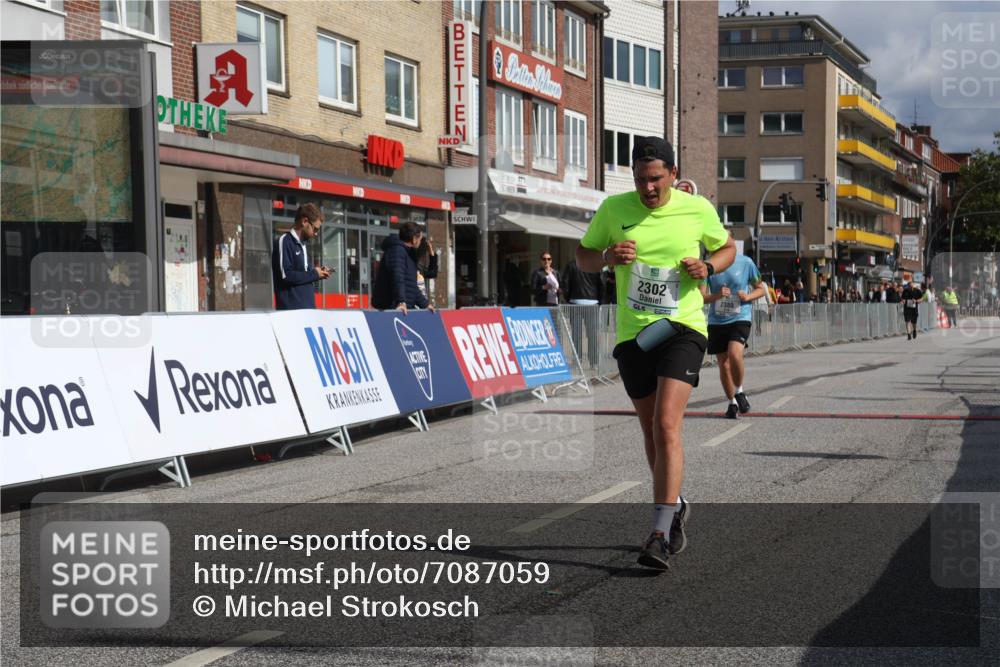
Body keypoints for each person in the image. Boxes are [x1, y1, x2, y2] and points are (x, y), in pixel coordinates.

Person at [575, 136, 736, 571]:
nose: (648, 188)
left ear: (673, 173)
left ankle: (660, 534)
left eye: (656, 179)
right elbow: (583, 256)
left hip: (682, 326)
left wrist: (709, 267)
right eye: (641, 179)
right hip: (634, 335)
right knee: (650, 431)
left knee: (667, 423)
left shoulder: (695, 208)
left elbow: (727, 247)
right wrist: (607, 256)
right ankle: (677, 502)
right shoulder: (615, 209)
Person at [701, 247, 765, 419]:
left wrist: (748, 297)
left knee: (735, 353)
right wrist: (716, 296)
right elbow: (700, 297)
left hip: (740, 317)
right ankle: (732, 403)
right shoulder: (707, 266)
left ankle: (739, 391)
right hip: (717, 321)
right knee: (723, 364)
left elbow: (761, 288)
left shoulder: (746, 262)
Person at [272, 203, 332, 310]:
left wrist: (318, 272)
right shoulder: (285, 241)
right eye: (315, 229)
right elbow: (286, 275)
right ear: (304, 221)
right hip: (292, 312)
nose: (316, 233)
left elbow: (304, 274)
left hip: (308, 310)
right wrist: (314, 274)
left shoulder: (304, 244)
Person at [371, 221, 433, 313]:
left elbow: (411, 286)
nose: (420, 242)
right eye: (420, 239)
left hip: (406, 308)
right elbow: (397, 277)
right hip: (392, 307)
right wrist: (401, 302)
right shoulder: (396, 250)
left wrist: (425, 304)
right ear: (414, 238)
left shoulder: (409, 254)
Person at [562, 258, 604, 369]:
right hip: (592, 302)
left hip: (575, 302)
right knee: (592, 334)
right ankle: (593, 363)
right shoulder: (595, 264)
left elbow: (565, 284)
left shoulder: (571, 264)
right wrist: (600, 302)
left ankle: (577, 361)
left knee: (576, 334)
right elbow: (601, 284)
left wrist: (569, 299)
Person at [414, 235, 439, 303]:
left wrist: (430, 250)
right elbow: (433, 272)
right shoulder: (415, 268)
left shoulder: (419, 270)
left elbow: (433, 272)